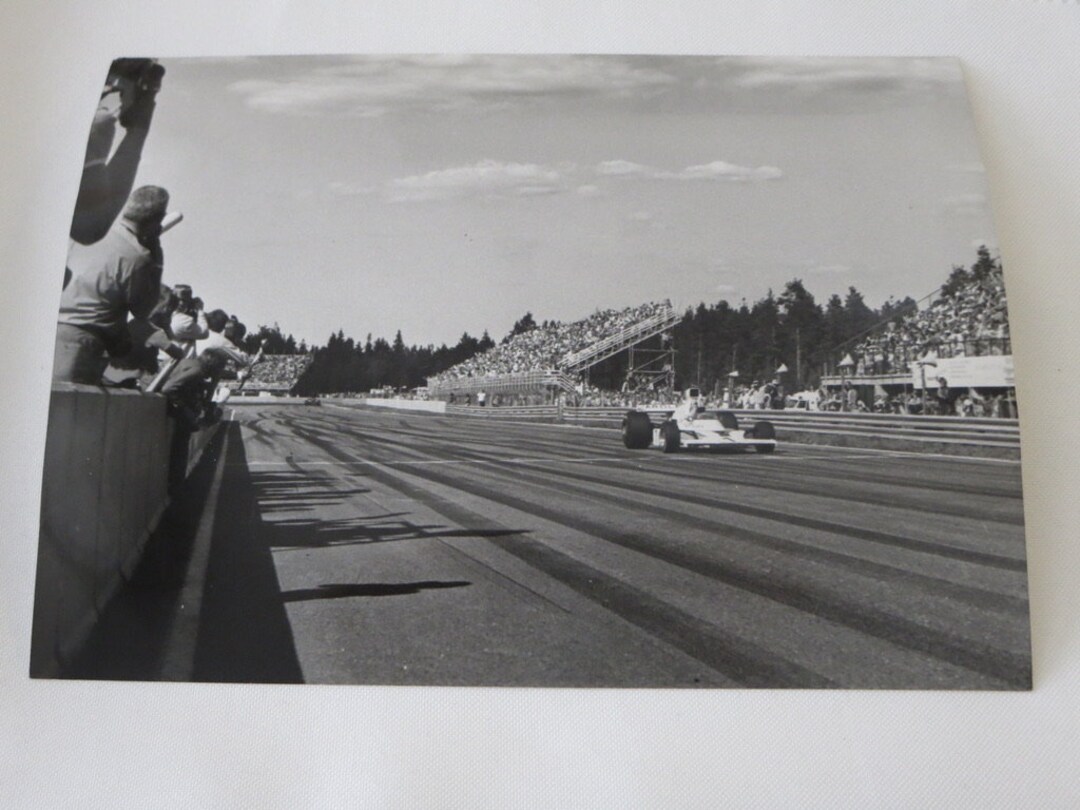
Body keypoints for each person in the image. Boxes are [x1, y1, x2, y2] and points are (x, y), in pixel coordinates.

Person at [54, 185, 170, 384]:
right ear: (157, 220)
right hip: (83, 342)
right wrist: (157, 261)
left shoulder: (90, 232)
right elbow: (143, 311)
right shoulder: (139, 258)